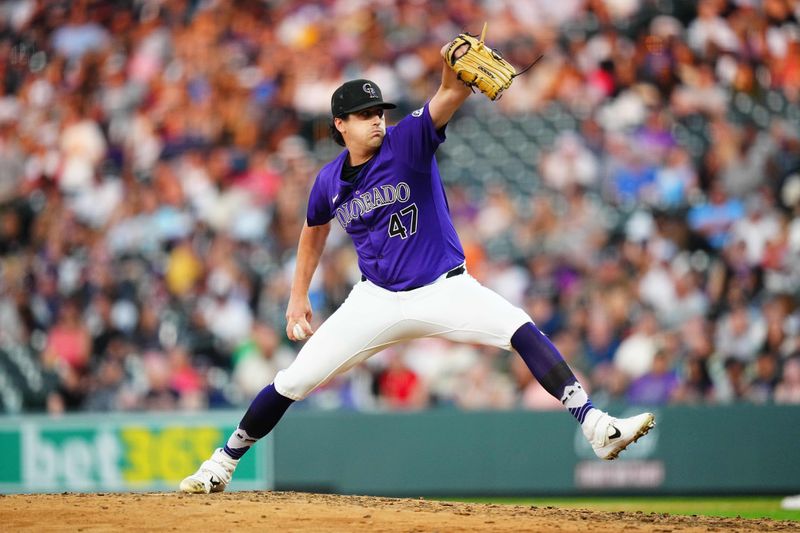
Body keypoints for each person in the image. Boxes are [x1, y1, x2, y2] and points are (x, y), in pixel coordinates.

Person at [179, 41, 656, 494]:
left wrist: (453, 66)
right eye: (365, 115)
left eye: (379, 112)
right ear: (339, 124)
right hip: (376, 299)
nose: (376, 122)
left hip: (444, 288)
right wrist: (298, 295)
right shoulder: (327, 181)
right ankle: (222, 462)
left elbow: (449, 92)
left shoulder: (407, 139)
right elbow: (313, 231)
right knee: (294, 380)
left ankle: (596, 426)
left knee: (519, 326)